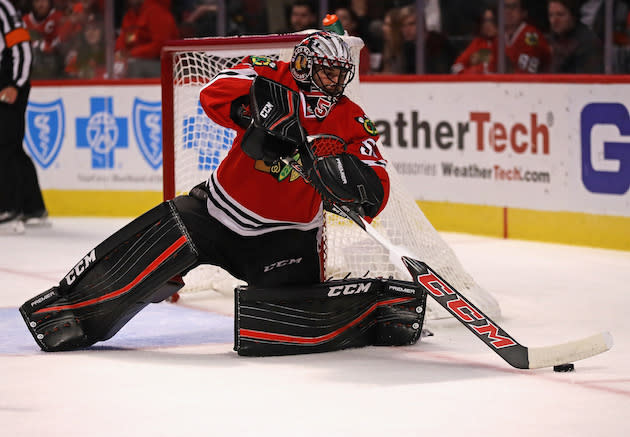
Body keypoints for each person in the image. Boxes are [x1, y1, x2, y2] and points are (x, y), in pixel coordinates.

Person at [20, 32, 427, 356]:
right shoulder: (272, 73)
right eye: (326, 73)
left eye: (341, 75)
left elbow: (376, 181)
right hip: (216, 212)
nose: (335, 82)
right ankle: (71, 309)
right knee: (156, 237)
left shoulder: (351, 118)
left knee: (277, 328)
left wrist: (349, 184)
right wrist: (263, 115)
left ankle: (379, 309)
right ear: (304, 65)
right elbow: (214, 93)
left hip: (288, 239)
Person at [0, 0, 48, 234]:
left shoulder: (3, 8)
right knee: (12, 146)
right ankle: (33, 208)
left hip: (9, 85)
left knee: (5, 144)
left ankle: (9, 209)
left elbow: (22, 47)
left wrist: (15, 84)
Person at [115, 0, 179, 78]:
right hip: (137, 60)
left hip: (164, 65)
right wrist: (120, 52)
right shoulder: (131, 15)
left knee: (134, 66)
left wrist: (132, 54)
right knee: (115, 66)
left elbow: (160, 46)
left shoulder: (157, 12)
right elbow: (125, 37)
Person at [548, 0, 603, 73]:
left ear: (573, 16)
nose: (554, 21)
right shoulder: (552, 39)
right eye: (551, 15)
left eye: (560, 15)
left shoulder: (588, 42)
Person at [399, 5, 455, 74]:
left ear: (422, 23)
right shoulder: (408, 47)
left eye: (411, 24)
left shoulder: (437, 43)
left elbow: (440, 74)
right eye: (403, 25)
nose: (406, 30)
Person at [502, 0, 552, 73]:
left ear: (523, 13)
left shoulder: (532, 36)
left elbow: (526, 74)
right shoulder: (499, 36)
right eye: (505, 7)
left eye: (513, 7)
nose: (508, 11)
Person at [23, 0, 67, 79]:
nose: (41, 4)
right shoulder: (24, 22)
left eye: (44, 0)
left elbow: (63, 43)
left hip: (54, 69)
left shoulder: (59, 18)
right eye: (37, 1)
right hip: (32, 71)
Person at [451, 7, 498, 74]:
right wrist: (470, 73)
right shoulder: (477, 43)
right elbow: (455, 68)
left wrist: (482, 56)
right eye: (484, 21)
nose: (487, 24)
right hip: (478, 83)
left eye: (491, 20)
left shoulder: (503, 42)